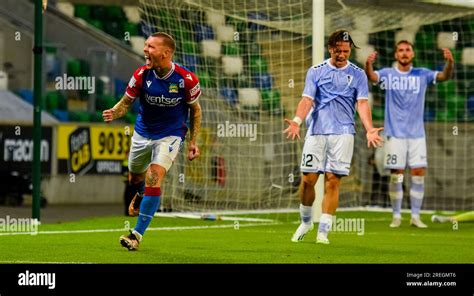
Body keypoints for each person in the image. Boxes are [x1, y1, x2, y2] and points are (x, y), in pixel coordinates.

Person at [103, 32, 202, 250]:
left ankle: (136, 235)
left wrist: (193, 142)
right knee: (134, 177)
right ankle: (140, 194)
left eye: (151, 47)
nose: (145, 50)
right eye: (146, 45)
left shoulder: (187, 80)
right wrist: (114, 112)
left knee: (153, 176)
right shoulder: (141, 74)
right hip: (142, 133)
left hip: (170, 134)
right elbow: (126, 102)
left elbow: (195, 111)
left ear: (166, 53)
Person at [283, 30, 384, 244]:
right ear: (330, 48)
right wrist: (297, 121)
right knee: (308, 180)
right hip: (317, 130)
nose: (342, 54)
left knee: (333, 181)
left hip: (343, 133)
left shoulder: (357, 74)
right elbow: (307, 100)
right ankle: (306, 221)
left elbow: (362, 103)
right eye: (338, 50)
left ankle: (323, 231)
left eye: (346, 51)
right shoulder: (316, 71)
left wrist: (369, 128)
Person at [365, 41, 454, 228]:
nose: (404, 53)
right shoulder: (388, 74)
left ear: (412, 54)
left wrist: (450, 63)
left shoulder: (422, 74)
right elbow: (372, 77)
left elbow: (445, 76)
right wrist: (368, 64)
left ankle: (415, 216)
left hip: (417, 135)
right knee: (397, 173)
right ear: (396, 55)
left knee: (418, 172)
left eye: (407, 50)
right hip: (395, 134)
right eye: (400, 50)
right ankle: (396, 215)